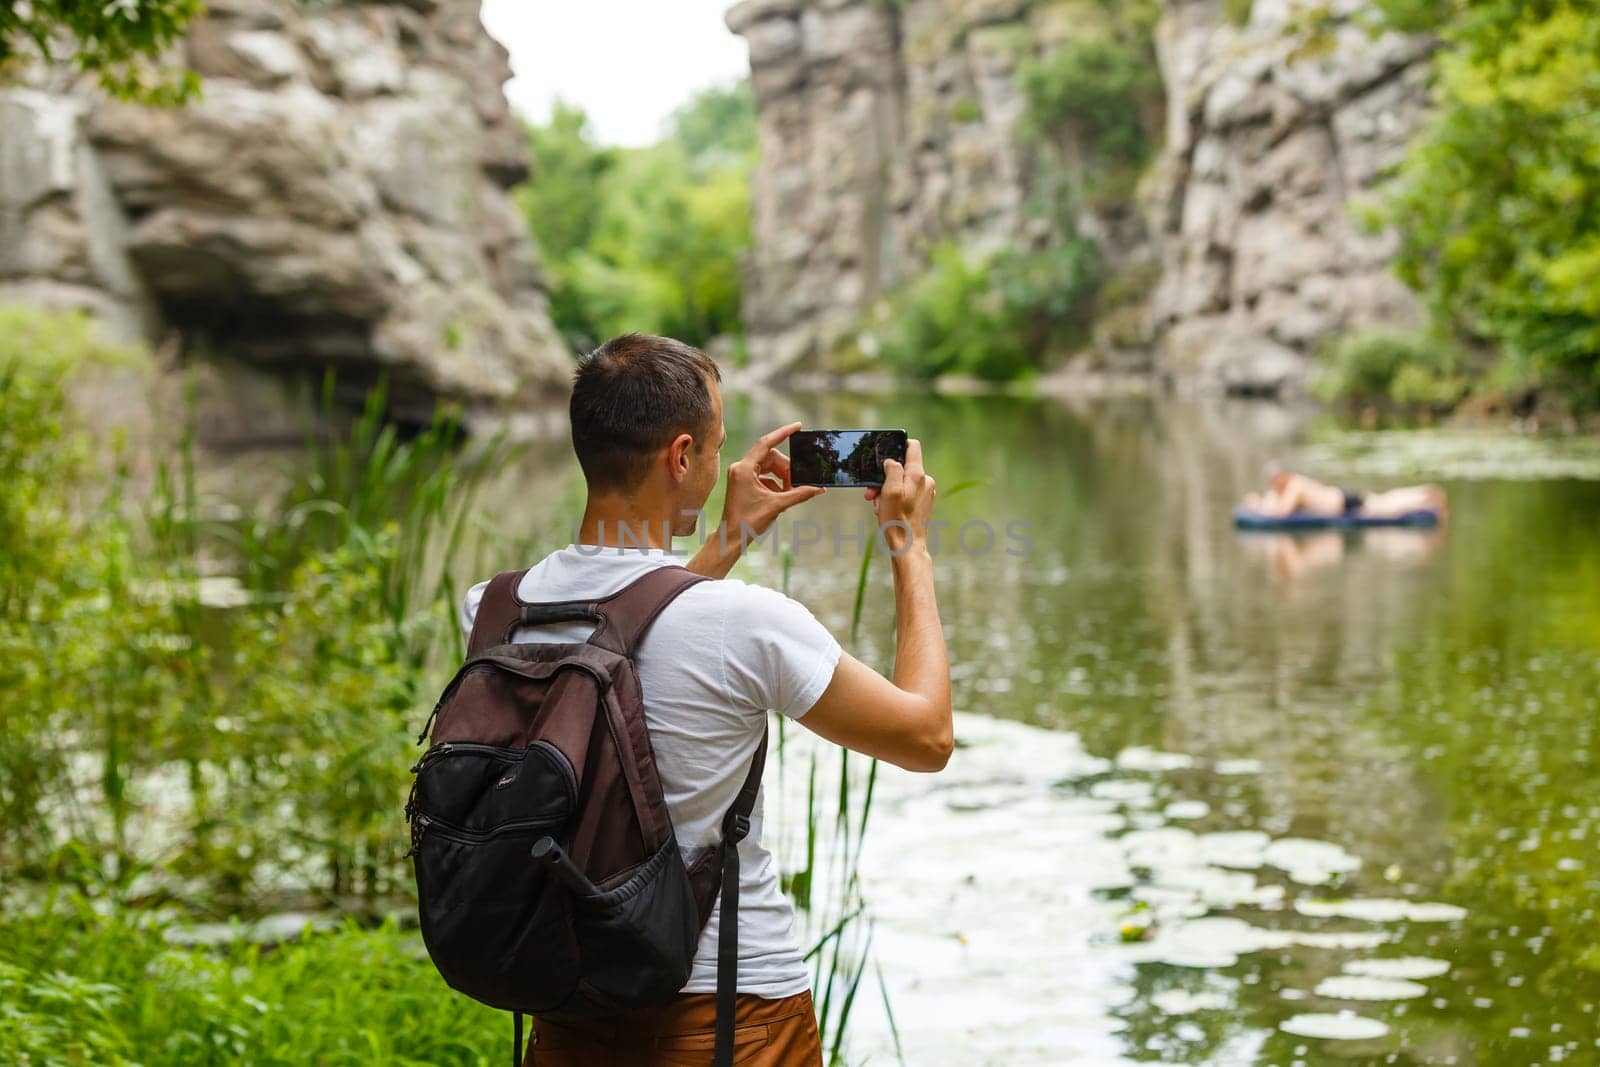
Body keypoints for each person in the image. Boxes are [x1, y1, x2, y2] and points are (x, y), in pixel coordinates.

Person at [460, 333, 952, 1066]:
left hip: (569, 1012)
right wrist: (908, 545)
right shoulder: (744, 623)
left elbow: (629, 641)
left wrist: (726, 540)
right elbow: (926, 736)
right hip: (732, 1015)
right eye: (716, 448)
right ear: (681, 456)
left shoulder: (495, 611)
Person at [1242, 469, 1447, 520]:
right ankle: (1422, 494)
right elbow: (1277, 502)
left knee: (1384, 506)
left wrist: (1258, 507)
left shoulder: (1294, 486)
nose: (1273, 485)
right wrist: (1261, 502)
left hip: (1344, 504)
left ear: (1282, 477)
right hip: (1342, 498)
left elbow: (1283, 512)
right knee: (1381, 500)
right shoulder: (1293, 484)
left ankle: (1424, 498)